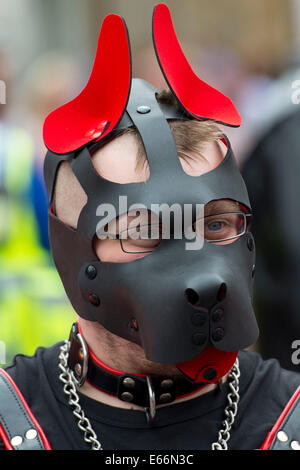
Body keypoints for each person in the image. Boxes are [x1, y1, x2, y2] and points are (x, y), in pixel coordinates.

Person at [0, 4, 299, 452]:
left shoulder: (288, 418)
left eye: (216, 223)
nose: (198, 264)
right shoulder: (13, 423)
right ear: (74, 249)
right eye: (142, 230)